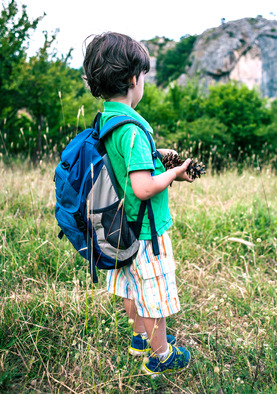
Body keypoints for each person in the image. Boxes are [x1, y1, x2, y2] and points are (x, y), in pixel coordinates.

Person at [83, 32, 193, 377]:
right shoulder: (132, 128)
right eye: (143, 76)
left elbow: (123, 163)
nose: (143, 81)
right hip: (145, 230)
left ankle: (140, 338)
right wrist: (175, 172)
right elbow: (143, 187)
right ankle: (161, 355)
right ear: (133, 79)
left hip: (122, 229)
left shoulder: (109, 120)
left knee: (132, 286)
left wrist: (156, 156)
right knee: (152, 293)